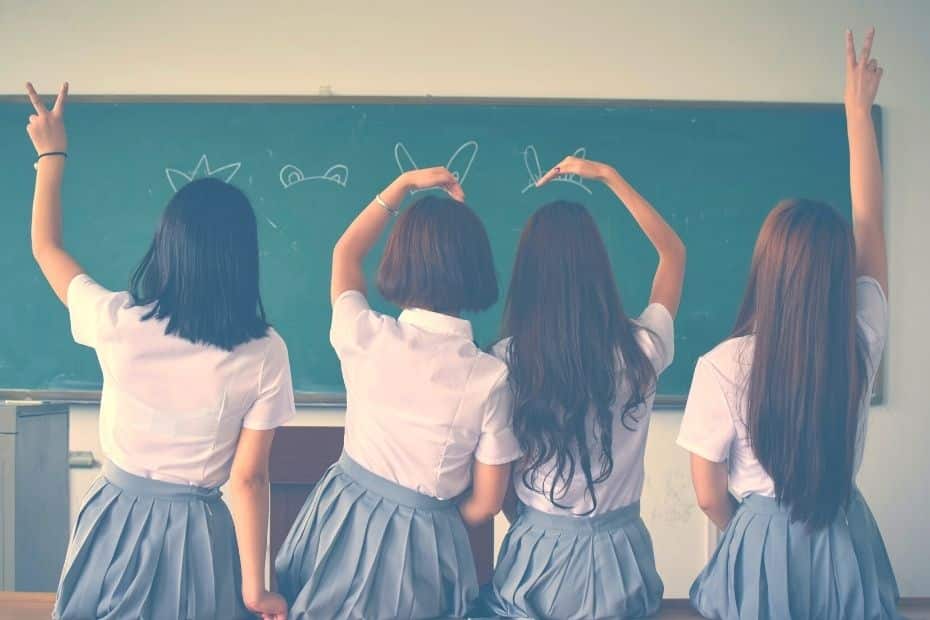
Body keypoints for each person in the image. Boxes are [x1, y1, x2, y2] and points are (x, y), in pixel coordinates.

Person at [26, 82, 295, 620]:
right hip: (200, 532)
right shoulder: (264, 351)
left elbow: (46, 247)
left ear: (167, 246)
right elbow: (248, 478)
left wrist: (51, 156)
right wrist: (255, 591)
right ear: (244, 260)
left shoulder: (119, 321)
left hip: (112, 517)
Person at [677, 28, 901, 619]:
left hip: (758, 538)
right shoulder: (861, 338)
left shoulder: (723, 365)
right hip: (844, 534)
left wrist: (752, 526)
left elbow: (706, 495)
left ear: (766, 271)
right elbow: (871, 223)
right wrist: (858, 117)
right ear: (839, 275)